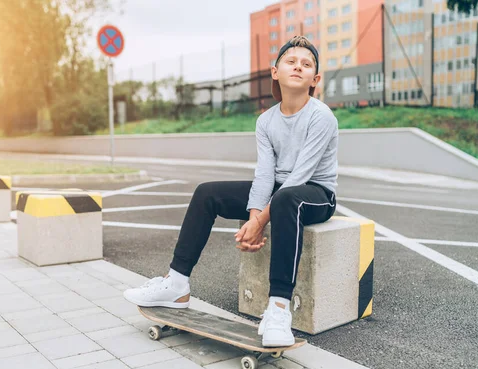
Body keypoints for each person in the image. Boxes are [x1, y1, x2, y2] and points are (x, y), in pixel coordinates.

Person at [124, 36, 338, 347]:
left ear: (314, 79)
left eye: (307, 65)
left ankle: (278, 309)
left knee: (287, 199)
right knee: (206, 193)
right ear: (275, 72)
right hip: (281, 191)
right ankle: (176, 284)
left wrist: (259, 223)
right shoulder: (266, 121)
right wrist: (254, 216)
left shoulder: (321, 117)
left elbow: (298, 179)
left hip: (315, 193)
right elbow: (265, 175)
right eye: (291, 61)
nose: (298, 67)